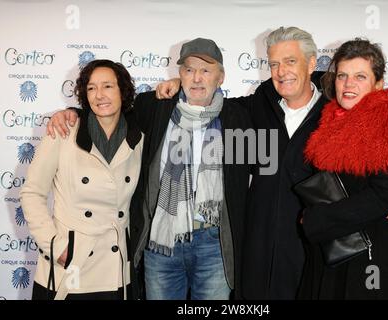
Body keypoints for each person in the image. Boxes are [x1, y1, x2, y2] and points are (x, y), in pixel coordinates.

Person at [155, 27, 388, 299]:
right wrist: (185, 85)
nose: (281, 71)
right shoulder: (258, 104)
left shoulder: (336, 108)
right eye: (274, 63)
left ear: (312, 63)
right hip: (261, 254)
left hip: (317, 254)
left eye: (290, 61)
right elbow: (211, 103)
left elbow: (387, 175)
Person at [46, 38, 252, 300]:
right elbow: (109, 114)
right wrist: (72, 112)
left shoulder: (239, 117)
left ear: (220, 77)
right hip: (161, 244)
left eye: (205, 70)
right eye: (189, 70)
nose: (196, 78)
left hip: (214, 245)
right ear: (179, 74)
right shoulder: (154, 106)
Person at [296, 38, 388, 299]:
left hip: (373, 262)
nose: (349, 84)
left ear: (378, 84)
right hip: (331, 257)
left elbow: (386, 193)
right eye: (342, 76)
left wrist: (319, 219)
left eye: (360, 76)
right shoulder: (328, 120)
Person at [20, 59, 144, 300]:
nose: (99, 95)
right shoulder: (63, 132)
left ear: (123, 91)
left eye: (108, 86)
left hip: (115, 267)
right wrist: (55, 246)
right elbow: (32, 193)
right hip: (71, 263)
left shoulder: (137, 138)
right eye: (91, 88)